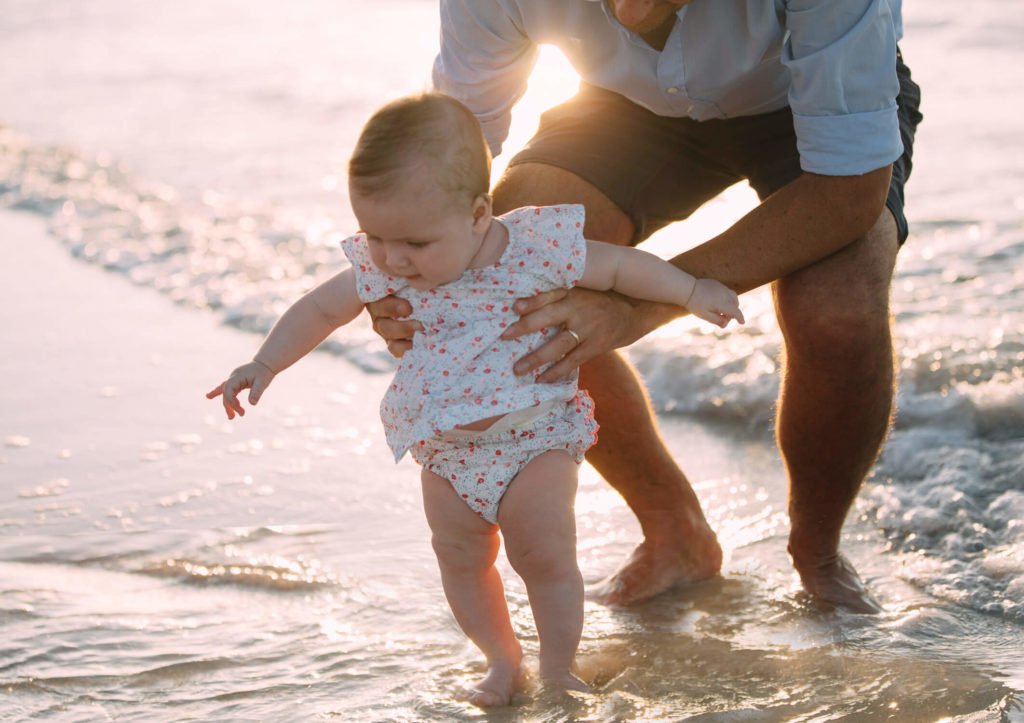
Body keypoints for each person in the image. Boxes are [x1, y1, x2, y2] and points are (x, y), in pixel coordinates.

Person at [366, 0, 923, 614]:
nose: (630, 9)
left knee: (836, 309)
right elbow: (446, 152)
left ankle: (817, 553)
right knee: (512, 288)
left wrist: (640, 305)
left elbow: (846, 196)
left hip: (804, 93)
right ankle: (673, 528)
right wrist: (402, 280)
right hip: (621, 108)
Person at [207, 93, 743, 706]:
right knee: (460, 561)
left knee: (542, 558)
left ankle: (560, 669)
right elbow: (321, 307)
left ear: (479, 214)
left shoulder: (531, 249)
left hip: (533, 435)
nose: (392, 258)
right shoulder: (386, 266)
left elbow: (620, 269)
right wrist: (264, 361)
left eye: (414, 242)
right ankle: (502, 661)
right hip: (446, 449)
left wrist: (691, 290)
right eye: (374, 236)